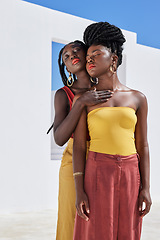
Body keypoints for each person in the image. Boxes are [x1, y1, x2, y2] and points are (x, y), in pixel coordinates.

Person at [73, 22, 152, 240]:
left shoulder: (138, 98)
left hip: (130, 172)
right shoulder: (84, 99)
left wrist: (145, 187)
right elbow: (80, 146)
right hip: (97, 170)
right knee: (97, 232)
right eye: (88, 55)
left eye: (96, 53)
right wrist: (79, 190)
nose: (89, 59)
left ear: (114, 59)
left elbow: (142, 145)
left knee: (128, 231)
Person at [52, 40, 112, 240]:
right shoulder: (63, 94)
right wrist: (80, 104)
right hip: (72, 162)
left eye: (76, 49)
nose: (71, 56)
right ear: (66, 68)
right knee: (71, 219)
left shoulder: (105, 88)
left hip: (102, 157)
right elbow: (59, 138)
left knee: (98, 221)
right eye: (66, 57)